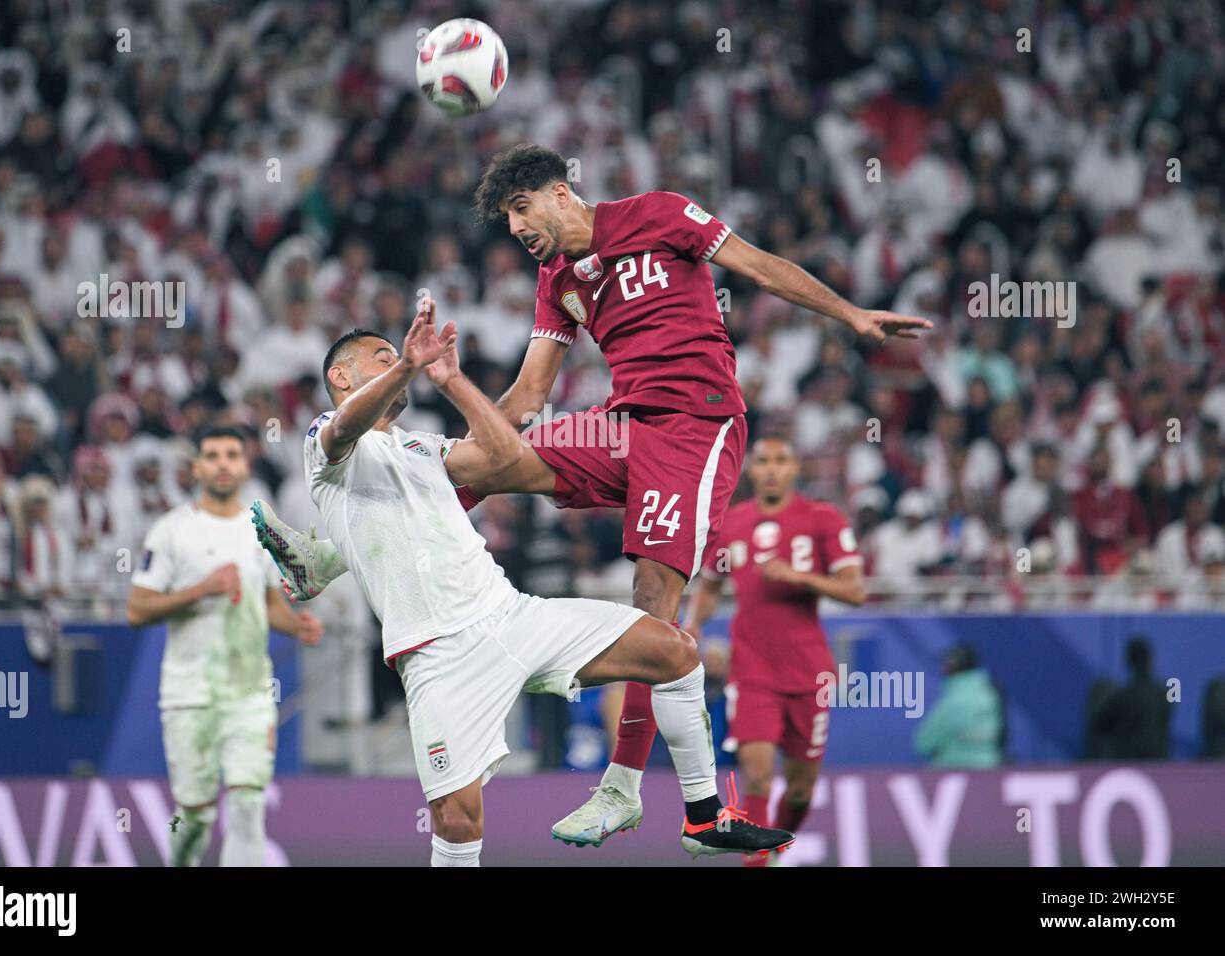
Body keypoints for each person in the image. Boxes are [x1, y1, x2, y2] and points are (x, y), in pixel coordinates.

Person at [256, 142, 930, 846]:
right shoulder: (557, 280)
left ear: (558, 192)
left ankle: (629, 789)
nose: (517, 228)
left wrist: (851, 315)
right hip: (620, 427)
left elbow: (760, 268)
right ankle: (327, 556)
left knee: (651, 608)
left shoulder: (661, 214)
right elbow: (527, 397)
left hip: (696, 427)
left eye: (521, 209)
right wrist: (463, 420)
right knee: (493, 462)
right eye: (507, 219)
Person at [255, 298, 793, 865]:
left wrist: (455, 381)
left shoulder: (422, 446)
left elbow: (508, 455)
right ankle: (320, 561)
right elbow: (345, 426)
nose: (398, 358)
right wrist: (407, 365)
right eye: (381, 354)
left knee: (675, 651)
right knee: (458, 822)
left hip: (512, 616)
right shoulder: (324, 441)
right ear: (341, 375)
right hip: (437, 654)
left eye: (397, 353)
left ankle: (704, 818)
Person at [126, 426, 324, 866]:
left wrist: (296, 626)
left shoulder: (260, 529)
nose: (222, 463)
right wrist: (202, 589)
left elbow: (269, 602)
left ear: (244, 465)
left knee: (248, 805)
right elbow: (137, 610)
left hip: (250, 692)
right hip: (189, 692)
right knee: (193, 817)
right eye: (212, 455)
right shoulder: (171, 531)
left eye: (231, 454)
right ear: (196, 467)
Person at [683, 437, 864, 866]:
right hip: (752, 670)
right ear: (750, 469)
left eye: (781, 460)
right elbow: (710, 585)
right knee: (758, 773)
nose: (771, 469)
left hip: (808, 672)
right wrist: (692, 625)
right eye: (762, 461)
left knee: (800, 791)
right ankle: (757, 861)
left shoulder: (821, 518)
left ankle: (777, 846)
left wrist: (802, 577)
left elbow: (855, 591)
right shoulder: (732, 524)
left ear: (795, 468)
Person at [914, 644, 1003, 768]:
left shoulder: (956, 700)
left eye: (946, 663)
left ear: (953, 665)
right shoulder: (990, 693)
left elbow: (924, 743)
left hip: (954, 769)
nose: (942, 668)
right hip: (990, 767)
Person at [1088, 636, 1171, 760]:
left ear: (1128, 662)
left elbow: (1098, 724)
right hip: (1158, 763)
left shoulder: (1121, 697)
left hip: (1129, 763)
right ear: (1150, 660)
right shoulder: (1164, 694)